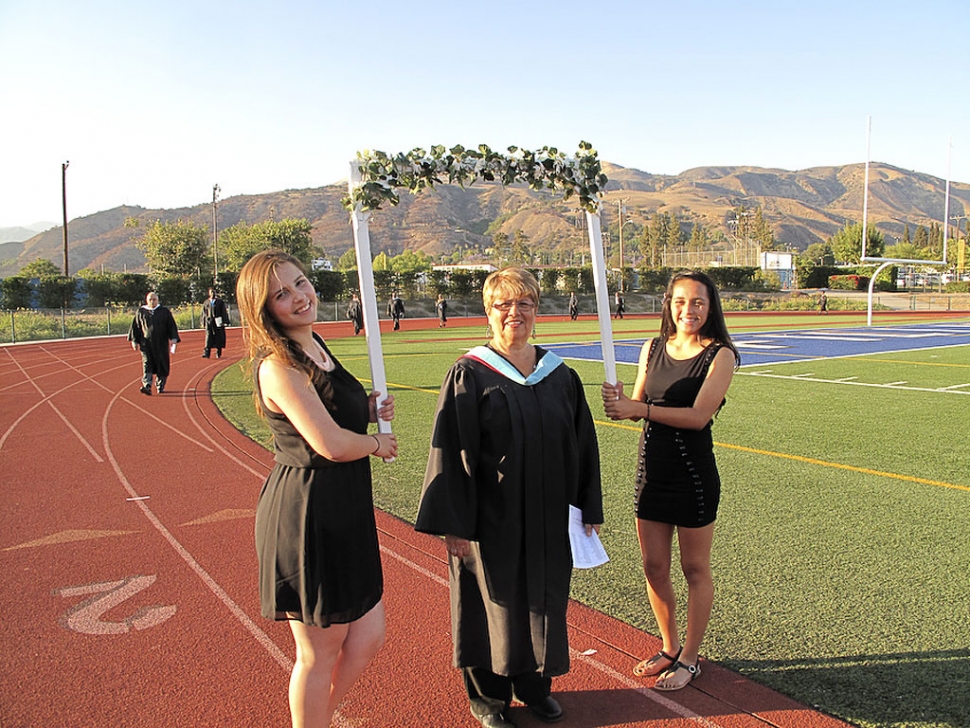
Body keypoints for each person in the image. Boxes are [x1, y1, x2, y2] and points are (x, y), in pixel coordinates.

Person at [416, 266, 603, 728]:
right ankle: (489, 698)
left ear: (537, 310)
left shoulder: (560, 376)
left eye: (524, 304)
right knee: (489, 601)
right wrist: (455, 525)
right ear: (488, 310)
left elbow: (582, 446)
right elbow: (451, 452)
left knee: (543, 598)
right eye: (504, 304)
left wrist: (588, 506)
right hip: (489, 518)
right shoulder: (470, 374)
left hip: (546, 515)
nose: (514, 313)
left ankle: (534, 685)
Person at [236, 250, 397, 728]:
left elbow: (331, 413)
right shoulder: (278, 366)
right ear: (264, 310)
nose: (298, 297)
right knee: (319, 651)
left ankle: (319, 719)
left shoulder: (316, 345)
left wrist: (365, 408)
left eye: (300, 283)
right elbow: (327, 443)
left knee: (367, 636)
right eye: (281, 295)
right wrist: (376, 442)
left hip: (345, 508)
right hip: (307, 512)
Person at [601, 270, 739, 692]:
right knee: (654, 566)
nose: (688, 310)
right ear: (669, 304)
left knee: (694, 567)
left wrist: (637, 411)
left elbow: (698, 418)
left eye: (697, 301)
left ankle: (691, 658)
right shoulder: (652, 347)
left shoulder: (721, 355)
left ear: (710, 306)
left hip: (693, 475)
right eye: (680, 301)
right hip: (651, 472)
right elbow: (636, 403)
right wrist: (620, 402)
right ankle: (669, 645)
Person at [128, 291, 180, 395]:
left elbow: (171, 326)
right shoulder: (141, 312)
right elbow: (136, 327)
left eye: (154, 299)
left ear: (158, 300)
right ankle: (147, 385)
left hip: (161, 344)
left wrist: (174, 339)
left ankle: (160, 385)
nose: (152, 301)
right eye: (150, 300)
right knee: (147, 363)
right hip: (146, 344)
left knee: (162, 364)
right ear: (146, 301)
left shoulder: (164, 312)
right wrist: (134, 341)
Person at [201, 287, 229, 358]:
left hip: (218, 321)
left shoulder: (220, 302)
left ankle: (218, 352)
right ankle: (206, 353)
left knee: (218, 336)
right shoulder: (206, 302)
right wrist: (203, 322)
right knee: (208, 337)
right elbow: (204, 313)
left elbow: (223, 312)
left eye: (214, 292)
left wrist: (225, 321)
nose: (212, 294)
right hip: (209, 322)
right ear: (209, 293)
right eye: (211, 292)